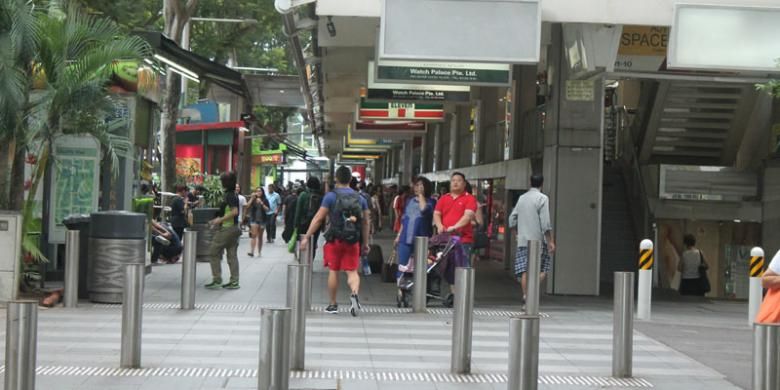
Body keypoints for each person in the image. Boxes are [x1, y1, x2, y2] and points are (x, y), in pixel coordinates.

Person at [300, 166, 370, 317]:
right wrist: (366, 243)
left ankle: (333, 304)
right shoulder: (361, 198)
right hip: (353, 240)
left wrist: (306, 237)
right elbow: (365, 223)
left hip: (335, 240)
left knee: (333, 271)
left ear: (336, 179)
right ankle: (354, 294)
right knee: (352, 272)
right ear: (351, 179)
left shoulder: (330, 197)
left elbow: (318, 218)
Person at [508, 174, 556, 306]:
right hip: (538, 241)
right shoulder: (543, 198)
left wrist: (516, 234)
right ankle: (531, 292)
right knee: (543, 269)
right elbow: (545, 223)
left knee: (524, 270)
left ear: (530, 182)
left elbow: (512, 219)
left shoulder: (522, 198)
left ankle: (525, 295)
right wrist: (550, 240)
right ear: (542, 183)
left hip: (523, 240)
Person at [394, 177, 436, 282]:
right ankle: (401, 292)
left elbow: (424, 210)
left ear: (426, 187)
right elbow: (404, 219)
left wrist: (421, 195)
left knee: (422, 268)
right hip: (405, 239)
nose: (417, 188)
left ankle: (420, 291)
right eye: (416, 185)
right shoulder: (409, 201)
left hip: (422, 241)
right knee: (402, 266)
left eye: (420, 185)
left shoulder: (432, 202)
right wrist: (398, 236)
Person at [205, 172, 241, 290]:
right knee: (232, 255)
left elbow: (234, 211)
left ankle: (217, 279)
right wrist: (216, 221)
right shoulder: (233, 194)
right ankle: (234, 281)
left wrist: (219, 220)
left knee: (213, 252)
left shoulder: (229, 195)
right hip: (234, 228)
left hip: (227, 229)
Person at [434, 172, 478, 262]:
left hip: (463, 240)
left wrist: (455, 227)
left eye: (459, 180)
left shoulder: (470, 198)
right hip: (445, 240)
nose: (455, 183)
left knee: (461, 269)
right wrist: (439, 225)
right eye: (453, 180)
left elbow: (468, 216)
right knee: (444, 267)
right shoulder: (444, 198)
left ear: (464, 184)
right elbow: (436, 213)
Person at [295, 177, 323, 258]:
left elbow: (298, 211)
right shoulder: (321, 196)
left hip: (303, 224)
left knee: (303, 242)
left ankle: (303, 262)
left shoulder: (303, 195)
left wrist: (296, 225)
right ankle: (311, 262)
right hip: (316, 224)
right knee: (313, 244)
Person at [246, 186, 269, 257]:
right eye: (257, 191)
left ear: (262, 192)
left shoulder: (265, 200)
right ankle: (252, 252)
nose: (258, 192)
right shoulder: (253, 199)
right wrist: (252, 198)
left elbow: (267, 209)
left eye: (260, 191)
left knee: (260, 237)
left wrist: (261, 203)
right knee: (254, 235)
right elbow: (247, 206)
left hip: (262, 220)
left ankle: (259, 252)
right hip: (254, 219)